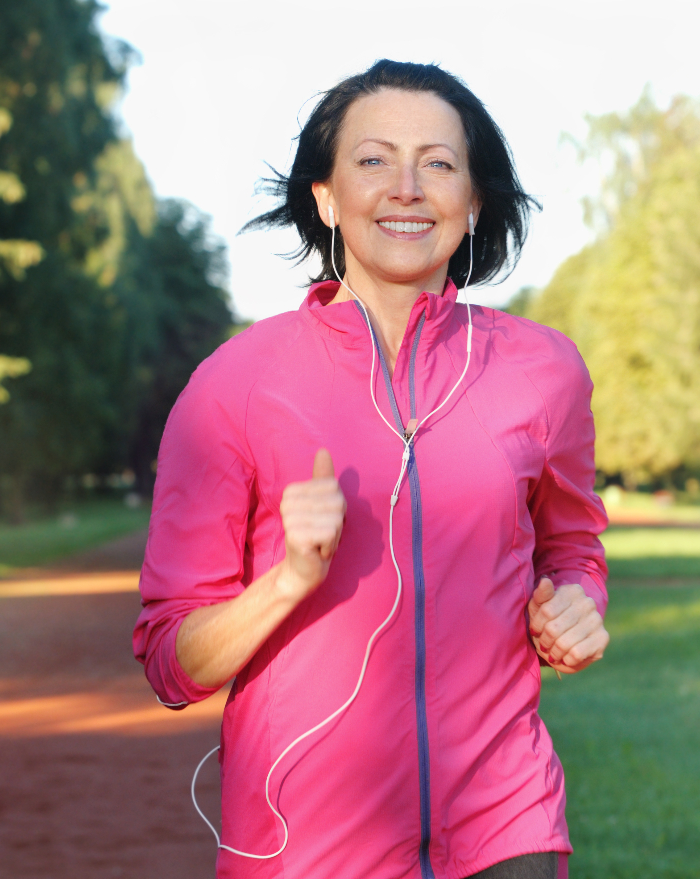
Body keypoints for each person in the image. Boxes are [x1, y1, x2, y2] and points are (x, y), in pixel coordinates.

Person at [133, 60, 609, 879]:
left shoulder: (544, 371)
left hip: (509, 826)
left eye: (439, 162)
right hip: (304, 846)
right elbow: (171, 660)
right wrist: (286, 580)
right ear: (325, 197)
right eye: (373, 159)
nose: (407, 187)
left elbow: (572, 552)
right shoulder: (234, 387)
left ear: (474, 201)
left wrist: (575, 607)